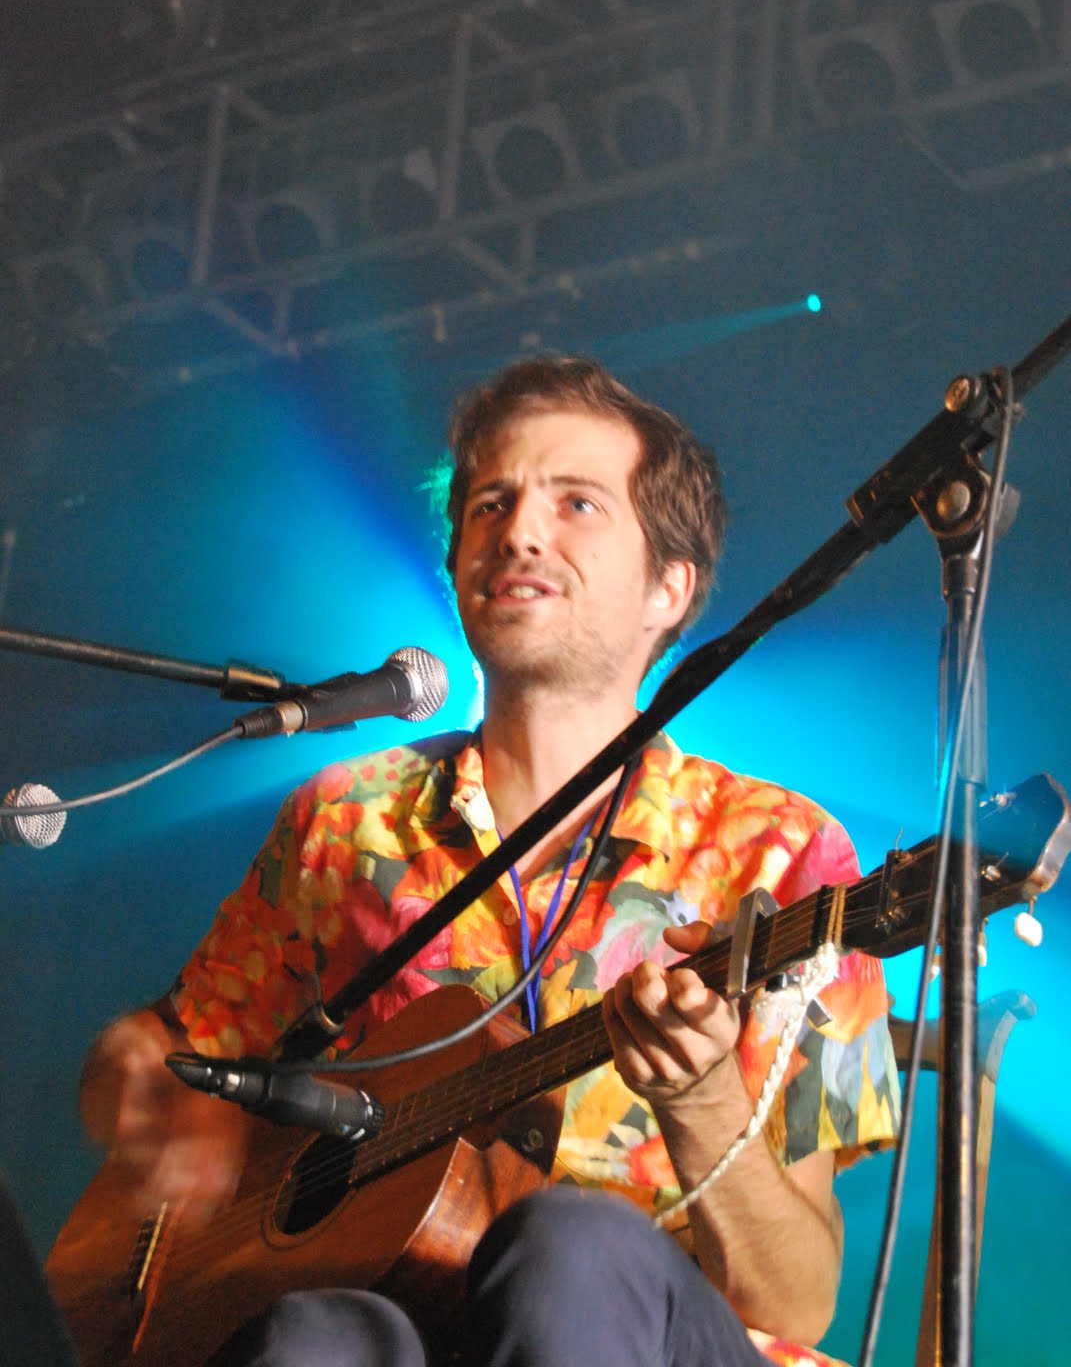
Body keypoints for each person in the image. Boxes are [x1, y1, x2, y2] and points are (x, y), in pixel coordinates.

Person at [75, 357, 900, 1367]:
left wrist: (701, 1101)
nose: (518, 532)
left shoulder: (786, 852)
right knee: (311, 1338)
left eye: (577, 502)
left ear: (668, 587)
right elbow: (162, 1047)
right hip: (402, 1312)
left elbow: (798, 1300)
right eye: (491, 503)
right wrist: (149, 1091)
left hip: (654, 1339)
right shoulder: (345, 819)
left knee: (569, 1248)